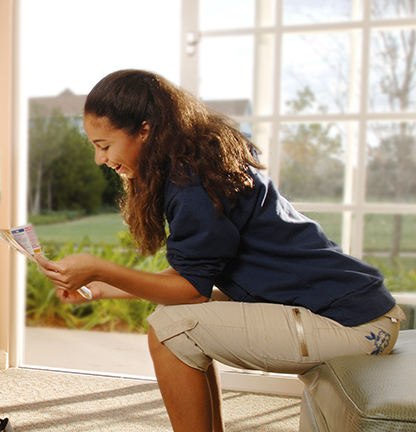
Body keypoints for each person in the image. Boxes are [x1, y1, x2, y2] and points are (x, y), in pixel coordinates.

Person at [34, 69, 406, 432]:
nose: (100, 159)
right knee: (175, 322)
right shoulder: (198, 165)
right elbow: (193, 280)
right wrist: (101, 288)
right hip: (362, 313)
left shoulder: (190, 184)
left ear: (145, 131)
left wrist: (101, 269)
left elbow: (192, 291)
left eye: (104, 145)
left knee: (169, 330)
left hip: (355, 325)